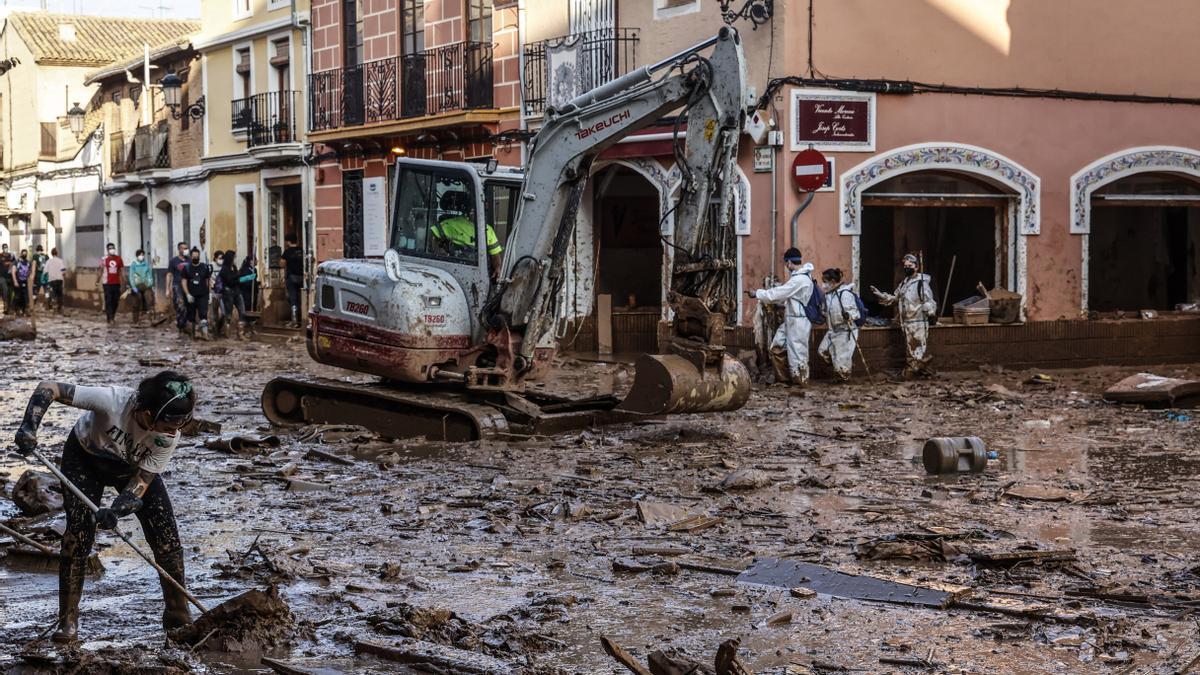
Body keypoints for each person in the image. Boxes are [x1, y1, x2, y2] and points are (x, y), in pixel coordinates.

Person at [14, 371, 197, 642]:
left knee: (166, 535)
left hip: (130, 468)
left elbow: (142, 482)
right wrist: (29, 426)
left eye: (182, 422)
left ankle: (178, 615)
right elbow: (49, 387)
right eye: (170, 422)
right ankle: (68, 622)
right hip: (85, 458)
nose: (175, 430)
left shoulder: (169, 437)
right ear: (147, 413)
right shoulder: (112, 401)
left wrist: (117, 510)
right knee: (79, 534)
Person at [753, 248, 816, 386]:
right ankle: (784, 379)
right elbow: (787, 296)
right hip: (791, 318)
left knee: (797, 353)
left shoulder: (800, 279)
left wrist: (758, 293)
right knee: (776, 346)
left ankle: (800, 382)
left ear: (788, 262)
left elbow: (779, 293)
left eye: (786, 263)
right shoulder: (800, 278)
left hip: (798, 321)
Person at [871, 253, 937, 378]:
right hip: (906, 321)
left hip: (918, 321)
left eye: (910, 265)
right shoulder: (904, 283)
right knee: (911, 350)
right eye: (905, 266)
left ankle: (913, 371)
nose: (907, 268)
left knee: (917, 349)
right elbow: (896, 298)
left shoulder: (921, 284)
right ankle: (924, 370)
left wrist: (929, 310)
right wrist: (881, 295)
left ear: (916, 267)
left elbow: (930, 301)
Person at [431, 190, 503, 279]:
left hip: (478, 274)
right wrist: (442, 254)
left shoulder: (488, 229)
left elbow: (495, 255)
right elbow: (432, 241)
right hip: (450, 271)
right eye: (473, 208)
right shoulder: (448, 225)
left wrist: (497, 268)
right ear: (468, 209)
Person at [817, 268, 863, 382]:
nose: (823, 285)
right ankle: (839, 366)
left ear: (832, 281)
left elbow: (855, 313)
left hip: (845, 332)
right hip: (833, 331)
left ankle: (844, 382)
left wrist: (848, 315)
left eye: (825, 281)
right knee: (822, 351)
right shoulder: (830, 295)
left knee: (842, 366)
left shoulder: (845, 294)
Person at [216, 250, 249, 339]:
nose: (235, 259)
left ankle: (241, 334)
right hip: (228, 293)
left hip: (237, 291)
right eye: (234, 257)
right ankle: (227, 333)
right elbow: (229, 281)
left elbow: (236, 279)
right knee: (228, 314)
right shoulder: (224, 269)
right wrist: (238, 277)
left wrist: (243, 278)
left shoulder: (234, 267)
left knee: (242, 312)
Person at [183, 247, 212, 340]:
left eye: (197, 256)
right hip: (191, 295)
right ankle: (192, 335)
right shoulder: (187, 268)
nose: (195, 258)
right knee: (191, 316)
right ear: (191, 257)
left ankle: (205, 334)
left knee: (203, 314)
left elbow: (208, 280)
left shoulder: (204, 267)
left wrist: (209, 293)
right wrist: (187, 294)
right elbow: (183, 282)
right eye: (194, 256)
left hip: (203, 295)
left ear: (199, 256)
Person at [167, 242, 191, 336]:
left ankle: (185, 324)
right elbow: (169, 275)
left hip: (189, 286)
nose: (185, 250)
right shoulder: (174, 261)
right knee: (180, 305)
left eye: (186, 248)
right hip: (177, 285)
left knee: (188, 306)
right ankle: (181, 325)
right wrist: (167, 289)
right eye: (183, 248)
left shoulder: (190, 260)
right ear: (179, 249)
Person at [281, 234, 304, 328]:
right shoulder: (301, 251)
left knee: (292, 298)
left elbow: (282, 264)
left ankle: (294, 321)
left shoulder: (287, 252)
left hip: (291, 277)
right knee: (300, 298)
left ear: (288, 242)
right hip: (301, 277)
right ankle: (302, 318)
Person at [128, 249, 155, 324]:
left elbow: (149, 275)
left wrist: (150, 283)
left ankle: (151, 319)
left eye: (143, 255)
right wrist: (133, 286)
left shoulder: (146, 264)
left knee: (150, 300)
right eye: (140, 255)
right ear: (137, 256)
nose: (141, 256)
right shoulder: (133, 265)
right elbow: (131, 276)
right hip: (136, 286)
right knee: (136, 303)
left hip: (145, 285)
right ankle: (135, 321)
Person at [100, 243, 124, 324]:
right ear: (107, 250)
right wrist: (97, 281)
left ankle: (113, 315)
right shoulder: (104, 259)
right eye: (110, 248)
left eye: (113, 248)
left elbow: (121, 271)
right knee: (108, 300)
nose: (112, 249)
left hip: (116, 283)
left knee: (115, 301)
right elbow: (100, 270)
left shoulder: (119, 259)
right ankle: (109, 317)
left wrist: (123, 282)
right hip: (107, 283)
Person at [45, 248, 66, 314]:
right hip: (59, 279)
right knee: (59, 294)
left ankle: (53, 307)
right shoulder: (60, 261)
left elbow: (45, 271)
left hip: (51, 280)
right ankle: (59, 308)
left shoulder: (48, 261)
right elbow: (63, 271)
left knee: (52, 294)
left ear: (51, 253)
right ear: (57, 253)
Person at [11, 249, 32, 315]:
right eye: (23, 253)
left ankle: (25, 310)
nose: (24, 255)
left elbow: (30, 272)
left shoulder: (28, 262)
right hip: (18, 281)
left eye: (25, 253)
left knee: (25, 296)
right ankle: (15, 309)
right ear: (21, 254)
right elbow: (13, 272)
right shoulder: (17, 262)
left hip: (25, 282)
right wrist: (15, 281)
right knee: (17, 296)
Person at [32, 245, 49, 309]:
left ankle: (34, 303)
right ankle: (47, 303)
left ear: (36, 249)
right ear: (42, 249)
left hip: (38, 276)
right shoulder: (46, 256)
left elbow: (34, 266)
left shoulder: (35, 256)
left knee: (35, 290)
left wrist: (33, 276)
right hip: (45, 276)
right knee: (46, 290)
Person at [0, 243, 13, 313]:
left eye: (6, 247)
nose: (6, 248)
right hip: (2, 277)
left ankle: (9, 307)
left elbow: (14, 263)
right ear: (2, 248)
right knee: (5, 291)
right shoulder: (0, 256)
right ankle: (6, 306)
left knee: (10, 292)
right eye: (4, 247)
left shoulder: (11, 256)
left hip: (10, 277)